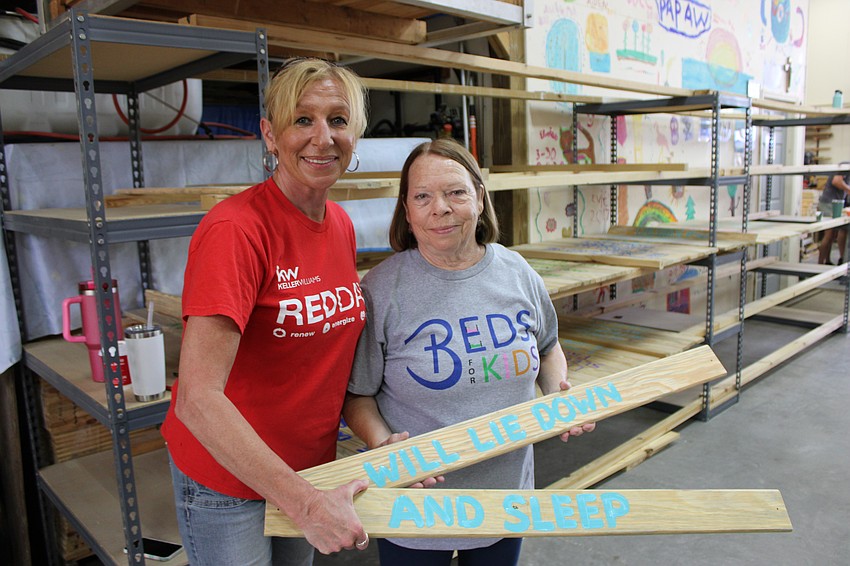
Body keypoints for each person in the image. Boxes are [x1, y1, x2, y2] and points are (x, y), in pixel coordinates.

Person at [342, 139, 594, 566]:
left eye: (455, 192)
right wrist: (386, 445)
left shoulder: (516, 272)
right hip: (416, 504)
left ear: (479, 196)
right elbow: (356, 395)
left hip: (504, 498)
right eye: (422, 196)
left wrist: (556, 394)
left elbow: (548, 349)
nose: (440, 207)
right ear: (407, 210)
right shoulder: (381, 290)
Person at [161, 58, 371, 566]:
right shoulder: (236, 230)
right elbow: (197, 399)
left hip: (307, 473)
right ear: (270, 135)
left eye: (338, 120)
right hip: (228, 482)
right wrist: (305, 505)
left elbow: (325, 364)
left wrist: (381, 435)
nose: (322, 138)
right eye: (302, 119)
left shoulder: (339, 223)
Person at [817, 165, 850, 265]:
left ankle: (827, 261)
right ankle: (820, 264)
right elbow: (836, 181)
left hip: (836, 203)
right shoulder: (846, 165)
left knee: (833, 234)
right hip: (829, 203)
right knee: (829, 234)